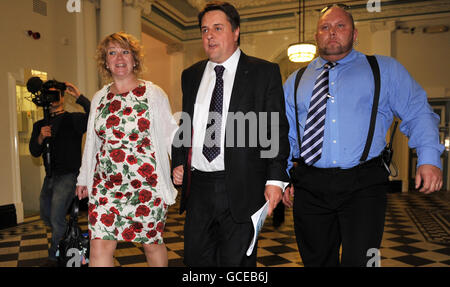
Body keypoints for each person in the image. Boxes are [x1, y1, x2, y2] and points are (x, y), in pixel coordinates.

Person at [282, 4, 444, 267]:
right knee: (316, 261)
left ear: (355, 34)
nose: (332, 32)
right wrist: (283, 176)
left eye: (340, 26)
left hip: (364, 183)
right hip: (309, 183)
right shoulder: (295, 80)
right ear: (316, 36)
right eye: (325, 27)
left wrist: (428, 157)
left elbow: (417, 112)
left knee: (362, 261)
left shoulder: (384, 69)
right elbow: (286, 133)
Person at [171, 1, 290, 267]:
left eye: (217, 28)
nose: (209, 35)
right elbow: (186, 125)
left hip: (242, 185)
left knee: (237, 265)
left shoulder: (263, 72)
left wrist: (275, 179)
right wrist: (179, 159)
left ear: (235, 31)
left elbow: (274, 128)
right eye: (204, 30)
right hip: (199, 189)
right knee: (195, 263)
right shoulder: (191, 75)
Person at [75, 32, 178, 267]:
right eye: (112, 53)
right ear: (105, 61)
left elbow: (170, 134)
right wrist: (84, 177)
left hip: (146, 185)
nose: (119, 58)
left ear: (134, 59)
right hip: (106, 185)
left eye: (125, 52)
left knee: (151, 244)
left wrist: (180, 164)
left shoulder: (153, 94)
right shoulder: (99, 98)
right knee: (98, 244)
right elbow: (92, 142)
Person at [29, 80, 90, 267]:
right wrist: (40, 136)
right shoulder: (41, 124)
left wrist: (79, 97)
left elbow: (95, 115)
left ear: (62, 97)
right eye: (50, 95)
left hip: (69, 175)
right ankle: (69, 239)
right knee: (47, 215)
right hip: (50, 177)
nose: (53, 99)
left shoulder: (74, 119)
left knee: (56, 217)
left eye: (57, 94)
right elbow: (34, 151)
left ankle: (54, 256)